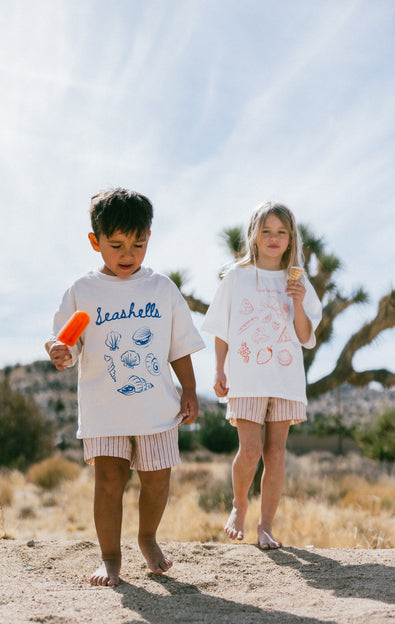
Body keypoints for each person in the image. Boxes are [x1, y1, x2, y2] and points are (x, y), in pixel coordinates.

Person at [46, 188, 205, 585]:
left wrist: (188, 389)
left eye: (137, 243)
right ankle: (110, 557)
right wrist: (59, 350)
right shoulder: (82, 291)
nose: (127, 254)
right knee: (109, 483)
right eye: (115, 244)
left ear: (149, 236)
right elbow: (64, 341)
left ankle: (147, 537)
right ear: (95, 241)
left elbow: (179, 346)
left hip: (157, 408)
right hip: (105, 409)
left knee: (157, 479)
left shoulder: (163, 289)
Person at [201, 202, 321, 549]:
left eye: (281, 232)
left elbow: (303, 336)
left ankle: (265, 526)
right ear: (254, 235)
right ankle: (239, 506)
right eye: (266, 231)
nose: (273, 238)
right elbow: (221, 329)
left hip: (285, 381)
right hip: (247, 378)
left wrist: (298, 302)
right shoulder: (237, 277)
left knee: (276, 453)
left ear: (290, 238)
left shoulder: (298, 280)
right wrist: (219, 368)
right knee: (250, 450)